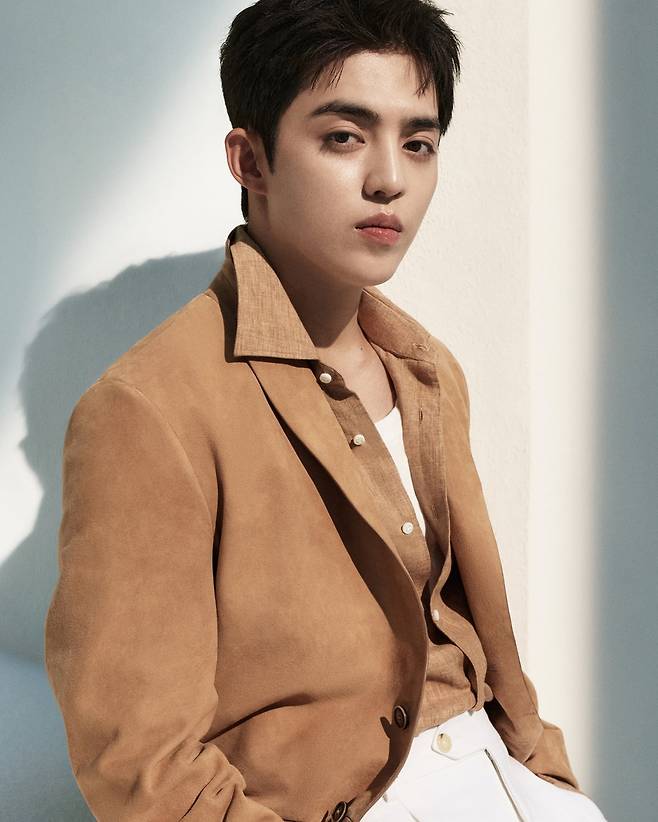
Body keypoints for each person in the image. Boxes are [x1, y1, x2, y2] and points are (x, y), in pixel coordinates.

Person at [44, 1, 608, 820]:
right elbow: (139, 763)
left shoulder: (427, 370)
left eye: (418, 143)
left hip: (508, 779)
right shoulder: (147, 409)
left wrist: (550, 780)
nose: (389, 179)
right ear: (250, 160)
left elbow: (481, 645)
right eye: (344, 136)